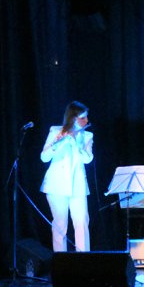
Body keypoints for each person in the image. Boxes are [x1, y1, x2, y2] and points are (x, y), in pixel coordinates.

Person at [40, 101, 94, 252]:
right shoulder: (55, 131)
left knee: (81, 223)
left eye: (86, 117)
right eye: (83, 117)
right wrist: (60, 142)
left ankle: (84, 261)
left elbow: (88, 159)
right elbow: (44, 157)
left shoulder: (87, 136)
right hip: (56, 186)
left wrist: (76, 144)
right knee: (59, 226)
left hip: (78, 187)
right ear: (73, 118)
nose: (87, 121)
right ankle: (61, 262)